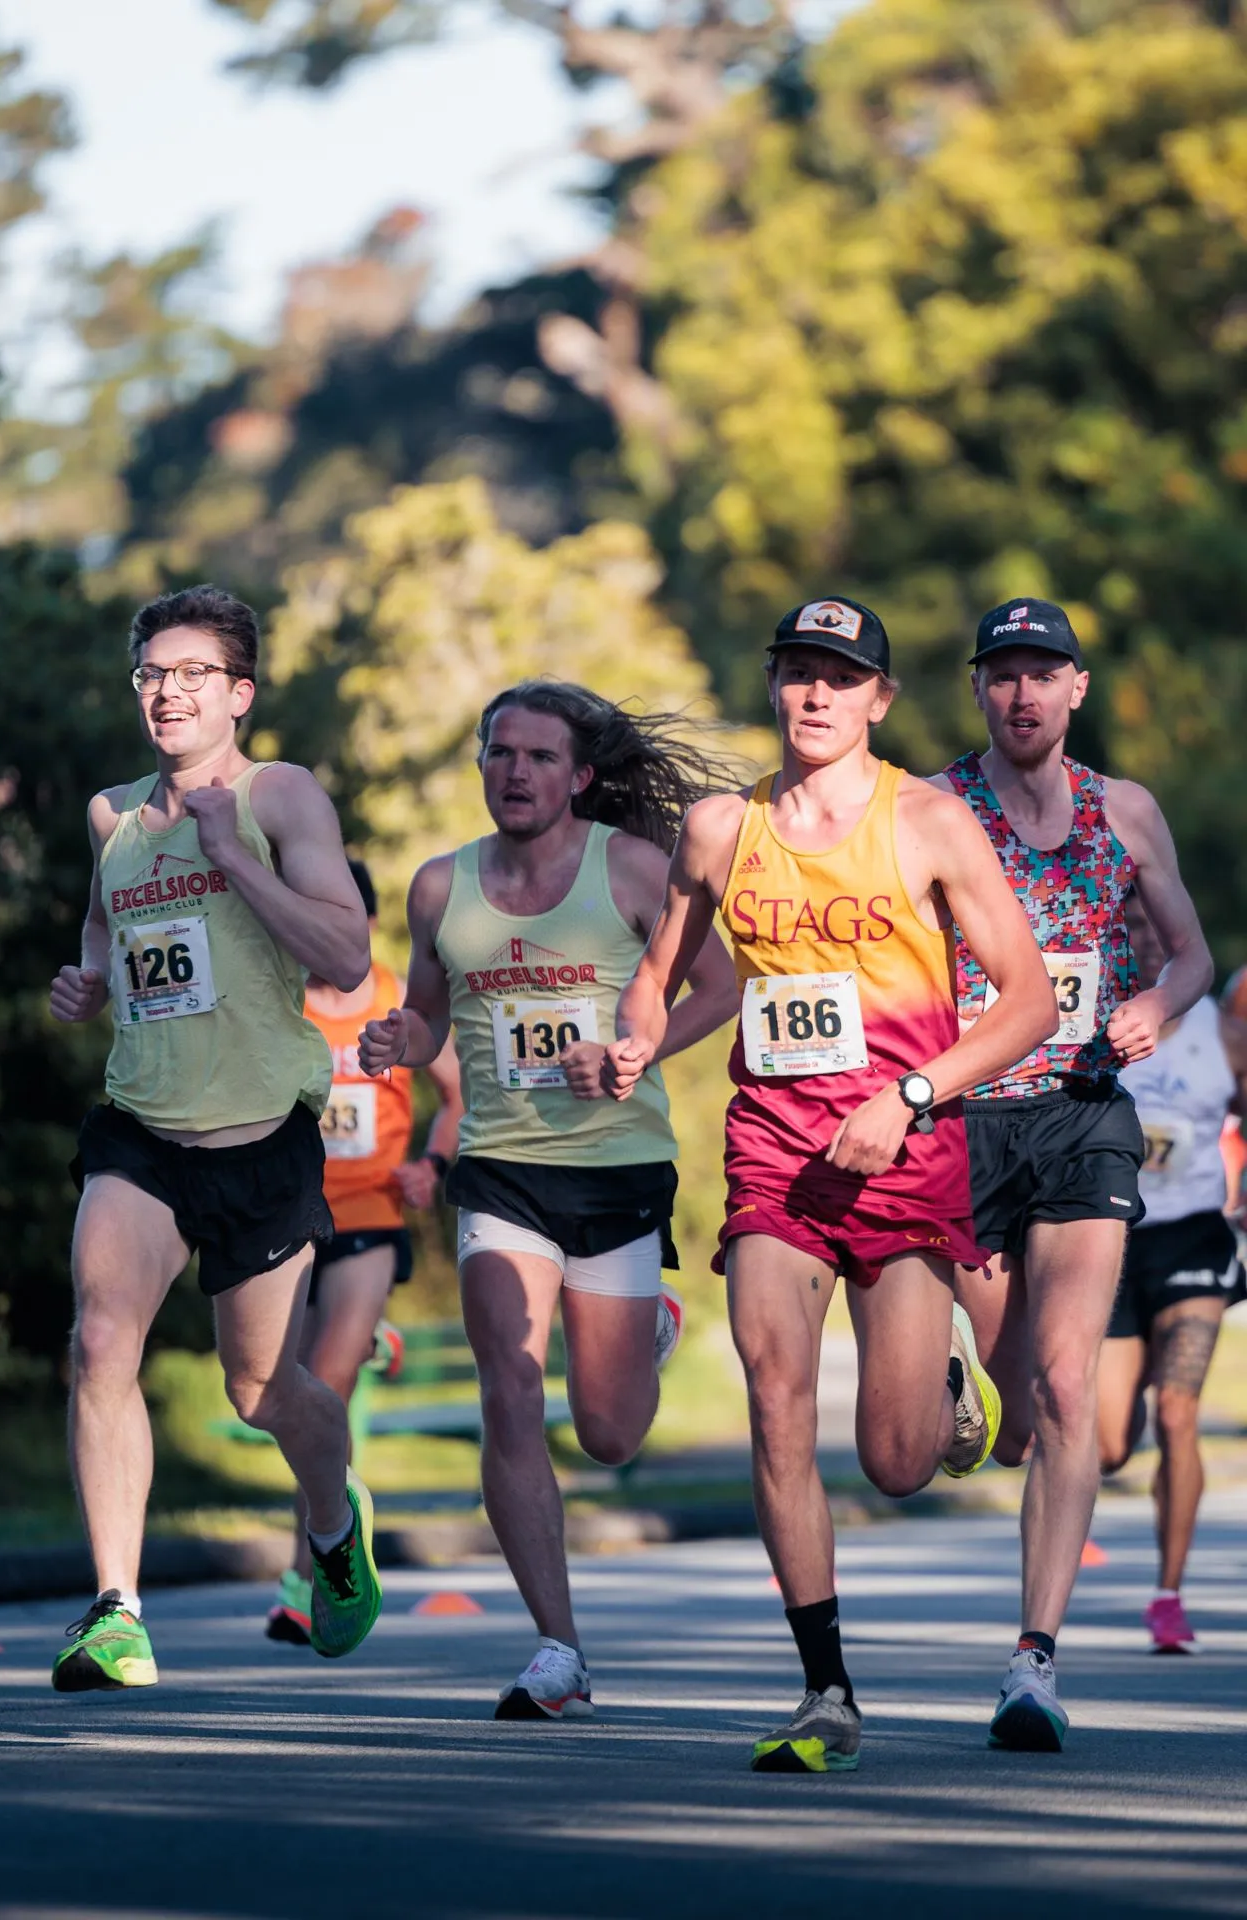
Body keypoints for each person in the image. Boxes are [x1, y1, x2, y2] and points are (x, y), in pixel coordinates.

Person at [608, 596, 1057, 1774]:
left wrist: (907, 1097)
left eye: (838, 677)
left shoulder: (927, 822)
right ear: (772, 686)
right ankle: (824, 1687)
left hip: (904, 1151)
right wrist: (628, 1040)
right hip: (773, 1153)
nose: (813, 694)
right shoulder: (719, 829)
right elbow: (660, 974)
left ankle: (946, 1377)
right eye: (796, 672)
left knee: (899, 1461)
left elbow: (1026, 1004)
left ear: (878, 700)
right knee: (772, 1390)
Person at [358, 681, 739, 1720]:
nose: (512, 772)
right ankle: (555, 1645)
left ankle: (647, 1327)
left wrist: (634, 1048)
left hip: (616, 1171)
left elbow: (721, 986)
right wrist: (403, 1042)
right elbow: (428, 1023)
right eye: (496, 754)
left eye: (535, 756)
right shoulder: (439, 889)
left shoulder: (629, 867)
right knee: (510, 1389)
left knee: (610, 1434)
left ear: (577, 776)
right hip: (500, 1169)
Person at [49, 585, 383, 1691]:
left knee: (261, 1391)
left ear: (238, 693)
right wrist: (87, 982)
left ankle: (332, 1529)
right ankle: (115, 1611)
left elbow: (341, 955)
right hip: (140, 1128)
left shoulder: (277, 795)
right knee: (101, 1344)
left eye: (192, 673)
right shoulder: (109, 816)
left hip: (260, 1140)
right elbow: (107, 929)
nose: (166, 691)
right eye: (151, 672)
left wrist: (234, 859)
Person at [935, 598, 1213, 1750]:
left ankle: (1032, 1662)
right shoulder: (931, 808)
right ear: (979, 691)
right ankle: (956, 1382)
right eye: (1001, 675)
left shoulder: (1124, 811)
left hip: (1085, 1113)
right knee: (1002, 1412)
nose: (1021, 695)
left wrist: (1154, 1000)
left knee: (1061, 1389)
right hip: (964, 1118)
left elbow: (1191, 948)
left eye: (1041, 674)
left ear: (1075, 690)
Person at [266, 859, 464, 1644]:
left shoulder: (393, 996)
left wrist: (433, 1165)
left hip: (372, 1216)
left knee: (328, 1382)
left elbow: (456, 1094)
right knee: (283, 1395)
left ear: (364, 924)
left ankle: (303, 1576)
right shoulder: (277, 998)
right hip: (290, 1216)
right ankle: (317, 1551)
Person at [1098, 894, 1247, 1650]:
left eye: (1158, 931)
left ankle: (1168, 1594)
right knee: (1106, 1446)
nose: (1146, 945)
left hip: (1193, 1238)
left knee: (1180, 1411)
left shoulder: (1221, 1037)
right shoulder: (1098, 1024)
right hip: (1111, 1242)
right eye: (1131, 929)